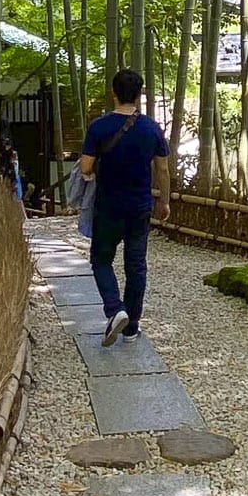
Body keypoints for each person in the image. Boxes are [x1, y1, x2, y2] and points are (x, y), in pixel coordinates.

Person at [77, 67, 170, 345]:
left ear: (114, 93)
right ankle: (132, 326)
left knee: (101, 260)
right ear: (139, 95)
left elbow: (85, 167)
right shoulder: (151, 128)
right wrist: (164, 201)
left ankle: (115, 309)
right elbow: (163, 170)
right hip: (140, 206)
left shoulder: (99, 127)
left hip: (108, 206)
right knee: (136, 265)